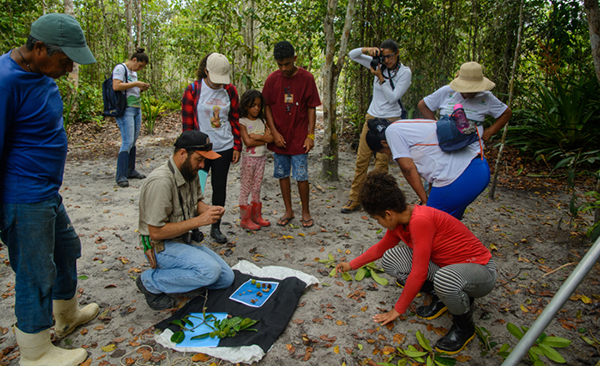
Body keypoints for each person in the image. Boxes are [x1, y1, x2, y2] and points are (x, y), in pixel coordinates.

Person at [0, 13, 99, 365]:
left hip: (46, 191)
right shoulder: (5, 81)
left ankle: (66, 315)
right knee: (34, 270)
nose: (70, 67)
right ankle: (35, 351)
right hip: (23, 194)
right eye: (66, 59)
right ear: (39, 48)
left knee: (67, 249)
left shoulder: (40, 73)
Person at [336, 171, 496, 354]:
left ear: (388, 214)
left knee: (444, 278)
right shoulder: (400, 222)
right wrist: (352, 264)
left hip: (481, 272)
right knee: (391, 258)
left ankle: (464, 327)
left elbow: (419, 272)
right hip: (447, 268)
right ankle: (443, 297)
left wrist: (397, 309)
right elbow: (381, 249)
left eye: (377, 219)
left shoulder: (420, 220)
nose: (378, 222)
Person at [137, 130, 235, 310]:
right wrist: (199, 221)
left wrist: (209, 211)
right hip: (162, 246)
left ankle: (182, 277)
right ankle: (149, 281)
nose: (203, 165)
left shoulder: (190, 171)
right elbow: (156, 232)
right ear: (183, 153)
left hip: (184, 239)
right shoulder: (161, 182)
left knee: (226, 278)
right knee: (210, 271)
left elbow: (196, 202)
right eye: (199, 159)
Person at [365, 118, 489, 220]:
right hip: (477, 167)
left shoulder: (392, 132)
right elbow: (435, 162)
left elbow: (407, 169)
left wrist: (425, 200)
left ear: (384, 143)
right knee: (447, 225)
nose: (388, 155)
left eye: (383, 152)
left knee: (428, 221)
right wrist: (429, 198)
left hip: (461, 175)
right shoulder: (405, 126)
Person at [341, 39, 412, 214]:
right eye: (383, 56)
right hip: (372, 117)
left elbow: (393, 98)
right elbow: (352, 55)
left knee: (381, 163)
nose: (386, 60)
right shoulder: (377, 64)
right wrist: (367, 49)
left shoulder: (405, 73)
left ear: (397, 54)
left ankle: (377, 202)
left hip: (390, 119)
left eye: (389, 56)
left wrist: (380, 78)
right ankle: (355, 198)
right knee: (362, 159)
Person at [182, 53, 241, 243]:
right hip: (200, 150)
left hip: (223, 147)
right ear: (206, 71)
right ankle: (194, 227)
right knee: (194, 188)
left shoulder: (230, 90)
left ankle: (215, 227)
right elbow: (187, 127)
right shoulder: (193, 90)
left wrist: (237, 145)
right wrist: (191, 151)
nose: (218, 84)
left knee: (219, 188)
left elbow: (234, 119)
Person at [262, 41, 321, 228]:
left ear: (295, 59)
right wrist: (274, 132)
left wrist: (310, 135)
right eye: (280, 64)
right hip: (280, 140)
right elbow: (267, 107)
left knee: (302, 176)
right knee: (282, 174)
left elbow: (312, 107)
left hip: (299, 139)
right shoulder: (272, 79)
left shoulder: (307, 78)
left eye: (287, 63)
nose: (283, 68)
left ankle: (306, 211)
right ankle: (289, 210)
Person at [418, 61, 512, 152]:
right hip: (445, 145)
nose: (472, 92)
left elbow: (506, 113)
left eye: (475, 89)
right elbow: (423, 105)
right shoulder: (447, 91)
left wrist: (489, 132)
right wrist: (437, 127)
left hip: (473, 149)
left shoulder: (486, 97)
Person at [113, 47, 150, 188]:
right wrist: (136, 83)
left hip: (136, 108)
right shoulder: (120, 68)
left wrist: (140, 88)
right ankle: (120, 175)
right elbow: (116, 86)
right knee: (127, 141)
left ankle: (130, 170)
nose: (139, 69)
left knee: (133, 140)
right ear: (134, 60)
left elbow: (129, 89)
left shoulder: (133, 73)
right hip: (125, 109)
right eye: (140, 65)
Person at [238, 89, 273, 230]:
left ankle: (256, 216)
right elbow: (248, 142)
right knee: (246, 187)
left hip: (261, 158)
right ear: (246, 105)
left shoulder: (262, 120)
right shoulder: (243, 122)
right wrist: (263, 140)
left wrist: (258, 137)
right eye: (253, 105)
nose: (256, 108)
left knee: (257, 187)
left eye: (259, 105)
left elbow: (270, 138)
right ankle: (245, 219)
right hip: (248, 159)